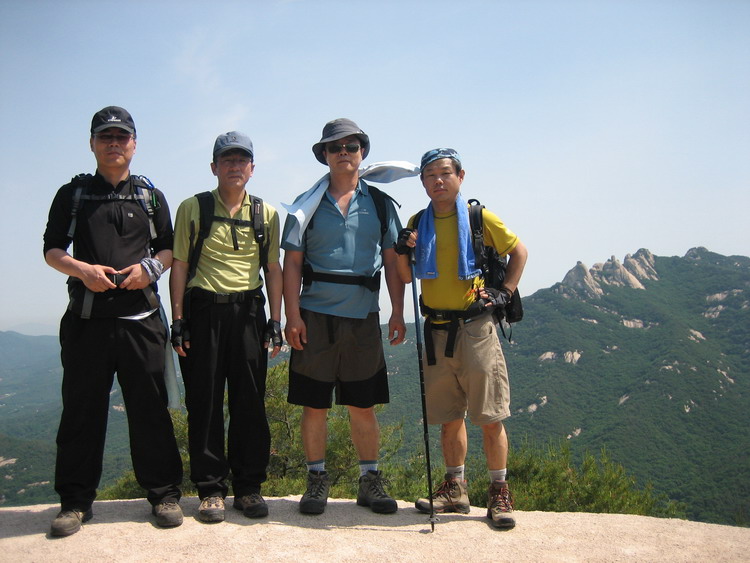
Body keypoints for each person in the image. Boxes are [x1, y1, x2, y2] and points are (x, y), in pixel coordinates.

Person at [43, 106, 183, 536]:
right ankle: (74, 503)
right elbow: (52, 249)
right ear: (92, 144)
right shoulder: (73, 195)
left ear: (134, 144)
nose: (114, 143)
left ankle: (163, 495)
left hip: (142, 319)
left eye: (122, 137)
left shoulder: (150, 197)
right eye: (106, 137)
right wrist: (83, 270)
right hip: (87, 319)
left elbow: (168, 248)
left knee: (150, 410)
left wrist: (149, 270)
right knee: (81, 411)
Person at [394, 148, 528, 530]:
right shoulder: (418, 223)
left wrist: (504, 292)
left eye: (445, 173)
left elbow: (519, 252)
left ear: (460, 176)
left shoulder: (478, 218)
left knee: (490, 416)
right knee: (449, 417)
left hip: (475, 328)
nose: (438, 180)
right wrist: (402, 249)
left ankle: (499, 493)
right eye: (430, 175)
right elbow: (405, 276)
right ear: (423, 182)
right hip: (436, 328)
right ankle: (455, 489)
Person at [282, 118, 406, 515]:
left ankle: (370, 480)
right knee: (314, 405)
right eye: (335, 147)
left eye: (351, 146)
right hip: (314, 315)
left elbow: (392, 261)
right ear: (324, 155)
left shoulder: (381, 204)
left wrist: (398, 311)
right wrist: (292, 315)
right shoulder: (306, 204)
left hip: (363, 316)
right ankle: (316, 480)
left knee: (362, 404)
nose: (343, 153)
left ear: (362, 152)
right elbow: (292, 263)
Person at [169, 131, 283, 523]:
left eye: (241, 160)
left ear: (252, 168)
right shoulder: (193, 208)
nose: (235, 166)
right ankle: (211, 490)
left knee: (250, 401)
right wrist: (178, 320)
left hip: (249, 312)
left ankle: (248, 488)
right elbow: (180, 265)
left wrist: (276, 321)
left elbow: (272, 268)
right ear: (214, 167)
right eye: (227, 160)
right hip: (203, 312)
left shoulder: (265, 214)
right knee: (204, 402)